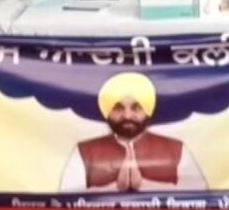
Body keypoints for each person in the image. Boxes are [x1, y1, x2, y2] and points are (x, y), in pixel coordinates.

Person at [59, 73, 206, 192]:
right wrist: (115, 188)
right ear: (107, 113)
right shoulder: (84, 151)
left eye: (136, 108)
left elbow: (199, 197)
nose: (127, 115)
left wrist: (144, 185)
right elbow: (64, 200)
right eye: (118, 108)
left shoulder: (177, 149)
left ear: (147, 111)